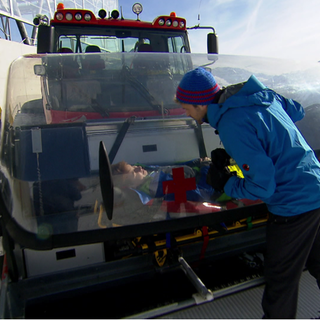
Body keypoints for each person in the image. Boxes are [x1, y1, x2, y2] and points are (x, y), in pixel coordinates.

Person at [174, 67, 320, 318]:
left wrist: (226, 183)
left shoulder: (231, 124)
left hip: (292, 207)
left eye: (187, 108)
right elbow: (297, 110)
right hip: (315, 187)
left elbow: (264, 187)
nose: (188, 115)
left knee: (280, 283)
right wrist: (246, 148)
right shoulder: (262, 95)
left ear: (200, 104)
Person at [111, 159, 217, 203]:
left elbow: (173, 168)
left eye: (133, 166)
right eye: (134, 172)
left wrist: (195, 162)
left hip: (203, 171)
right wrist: (206, 167)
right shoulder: (163, 186)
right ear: (133, 186)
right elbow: (204, 192)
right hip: (216, 185)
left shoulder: (151, 176)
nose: (138, 167)